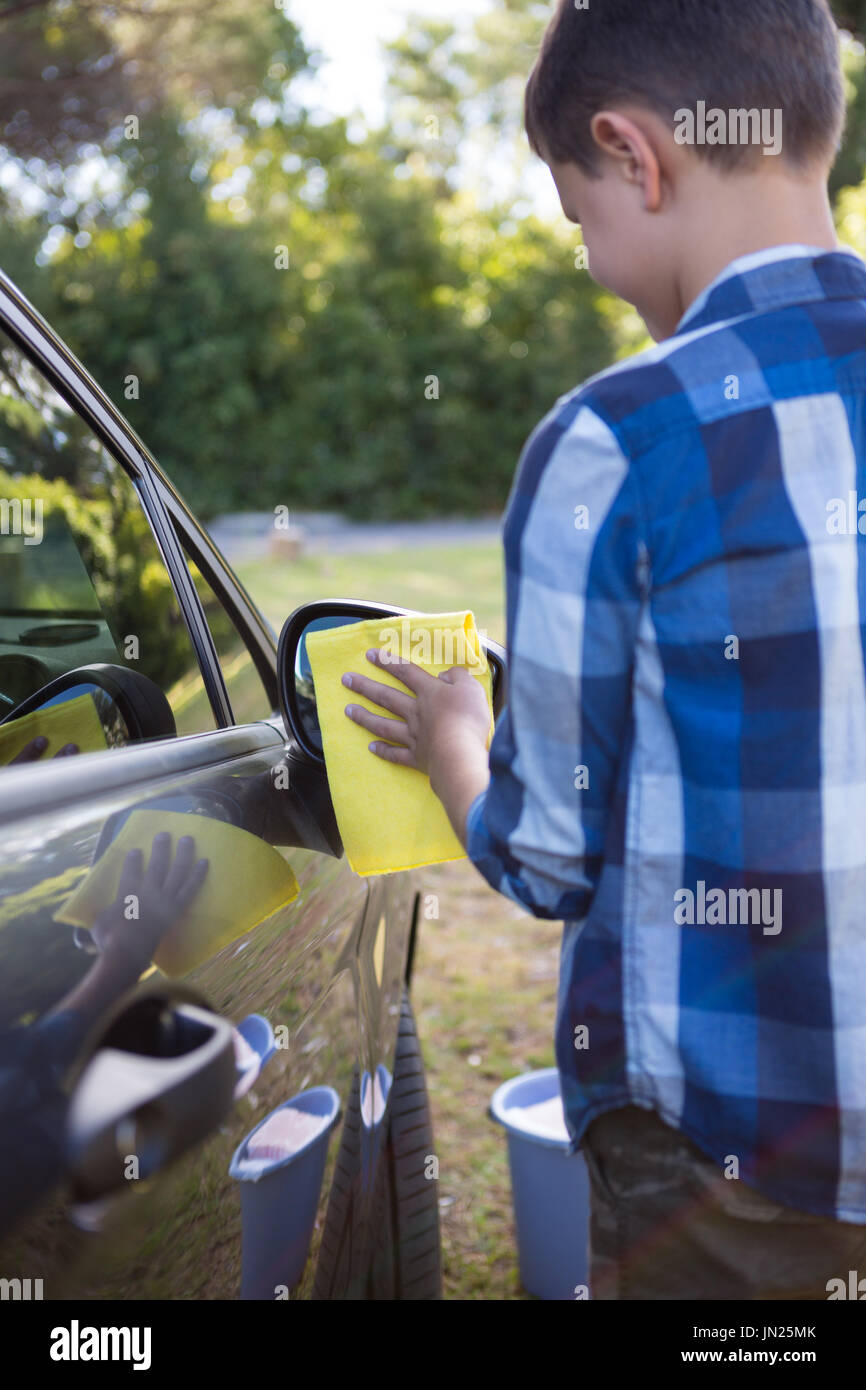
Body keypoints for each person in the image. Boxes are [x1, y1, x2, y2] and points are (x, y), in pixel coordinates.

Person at [339, 0, 866, 1299]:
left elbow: (544, 853)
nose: (591, 265)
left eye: (580, 221)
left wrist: (458, 734)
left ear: (632, 155)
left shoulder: (622, 436)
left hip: (733, 1155)